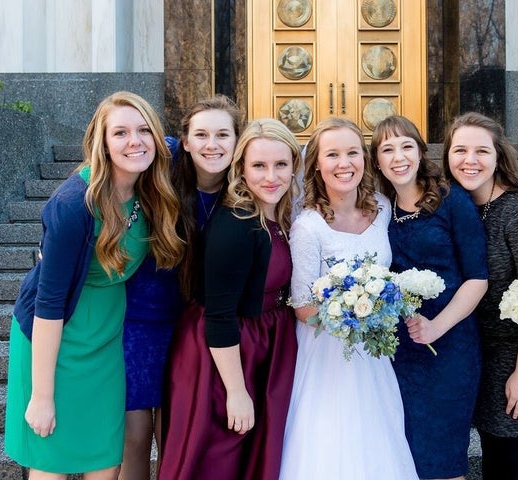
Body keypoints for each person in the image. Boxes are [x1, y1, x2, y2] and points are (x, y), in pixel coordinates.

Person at [4, 91, 184, 479]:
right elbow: (49, 304)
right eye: (119, 133)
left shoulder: (148, 187)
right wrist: (42, 395)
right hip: (55, 340)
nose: (134, 141)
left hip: (105, 343)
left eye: (143, 130)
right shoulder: (73, 204)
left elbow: (200, 144)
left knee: (106, 461)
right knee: (51, 461)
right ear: (101, 143)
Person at [158, 118, 300, 480]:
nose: (271, 176)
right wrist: (236, 392)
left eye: (281, 164)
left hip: (260, 346)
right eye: (258, 165)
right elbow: (219, 316)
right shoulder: (236, 223)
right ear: (241, 169)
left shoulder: (276, 214)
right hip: (222, 357)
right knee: (217, 460)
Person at [279, 117, 418, 480]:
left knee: (377, 440)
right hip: (327, 354)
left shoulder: (383, 208)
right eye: (333, 155)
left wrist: (379, 309)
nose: (345, 163)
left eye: (352, 152)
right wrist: (349, 317)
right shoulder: (308, 226)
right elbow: (303, 306)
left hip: (373, 354)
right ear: (318, 165)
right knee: (328, 444)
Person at [120, 95, 242, 479]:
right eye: (201, 134)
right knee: (135, 437)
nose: (212, 144)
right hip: (137, 319)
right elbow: (100, 171)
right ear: (184, 141)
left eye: (223, 134)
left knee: (175, 439)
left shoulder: (243, 190)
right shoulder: (162, 164)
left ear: (238, 140)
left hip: (192, 325)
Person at [442, 112, 518, 479]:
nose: (470, 160)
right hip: (477, 349)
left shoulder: (517, 212)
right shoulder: (456, 207)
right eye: (460, 150)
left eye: (482, 150)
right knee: (496, 454)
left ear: (498, 157)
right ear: (447, 155)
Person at [371, 115, 488, 480]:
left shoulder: (452, 202)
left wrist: (437, 326)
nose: (398, 157)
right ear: (376, 161)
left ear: (421, 153)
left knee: (443, 459)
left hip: (450, 347)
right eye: (387, 149)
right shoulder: (377, 210)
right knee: (406, 456)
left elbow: (477, 279)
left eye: (406, 146)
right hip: (398, 354)